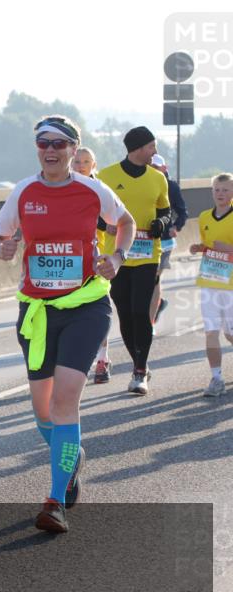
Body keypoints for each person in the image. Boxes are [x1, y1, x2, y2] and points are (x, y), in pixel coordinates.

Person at [0, 116, 135, 533]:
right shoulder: (22, 192)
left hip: (86, 305)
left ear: (74, 149)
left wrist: (117, 258)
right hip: (37, 311)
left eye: (59, 143)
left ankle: (55, 501)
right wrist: (5, 249)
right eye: (43, 143)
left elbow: (124, 224)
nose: (50, 150)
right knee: (43, 411)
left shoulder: (92, 189)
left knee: (65, 399)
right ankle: (70, 456)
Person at [96, 126, 170, 395]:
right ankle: (140, 363)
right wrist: (107, 225)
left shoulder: (157, 178)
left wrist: (161, 223)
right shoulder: (106, 176)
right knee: (125, 313)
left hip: (148, 254)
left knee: (141, 311)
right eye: (152, 146)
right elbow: (92, 213)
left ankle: (140, 370)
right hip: (115, 257)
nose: (155, 151)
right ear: (138, 148)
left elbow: (166, 212)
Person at [188, 173, 233, 397]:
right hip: (209, 280)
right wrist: (198, 247)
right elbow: (209, 245)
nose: (220, 194)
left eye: (225, 190)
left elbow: (225, 249)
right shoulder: (205, 216)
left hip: (231, 286)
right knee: (211, 332)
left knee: (230, 334)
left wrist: (229, 249)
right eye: (217, 189)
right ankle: (216, 378)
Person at [72, 147, 114, 384]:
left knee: (98, 311)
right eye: (77, 161)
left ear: (94, 165)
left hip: (96, 258)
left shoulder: (101, 191)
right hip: (69, 259)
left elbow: (117, 219)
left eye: (86, 161)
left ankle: (102, 359)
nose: (81, 165)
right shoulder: (61, 187)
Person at [149, 154, 189, 325]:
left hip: (164, 242)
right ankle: (158, 305)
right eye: (151, 167)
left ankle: (149, 321)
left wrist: (176, 227)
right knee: (146, 281)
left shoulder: (171, 186)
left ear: (164, 169)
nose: (154, 170)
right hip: (144, 241)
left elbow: (182, 211)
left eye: (157, 167)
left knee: (154, 278)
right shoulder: (142, 183)